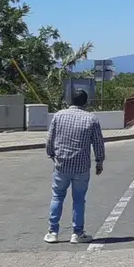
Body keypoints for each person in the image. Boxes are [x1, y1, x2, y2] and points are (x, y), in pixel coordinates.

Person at [44, 89, 105, 244]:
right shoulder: (91, 119)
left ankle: (52, 232)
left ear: (70, 100)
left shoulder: (58, 115)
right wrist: (99, 161)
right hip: (81, 166)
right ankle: (77, 233)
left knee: (57, 196)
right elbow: (98, 143)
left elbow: (50, 138)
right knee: (79, 200)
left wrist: (52, 155)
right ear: (86, 102)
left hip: (61, 164)